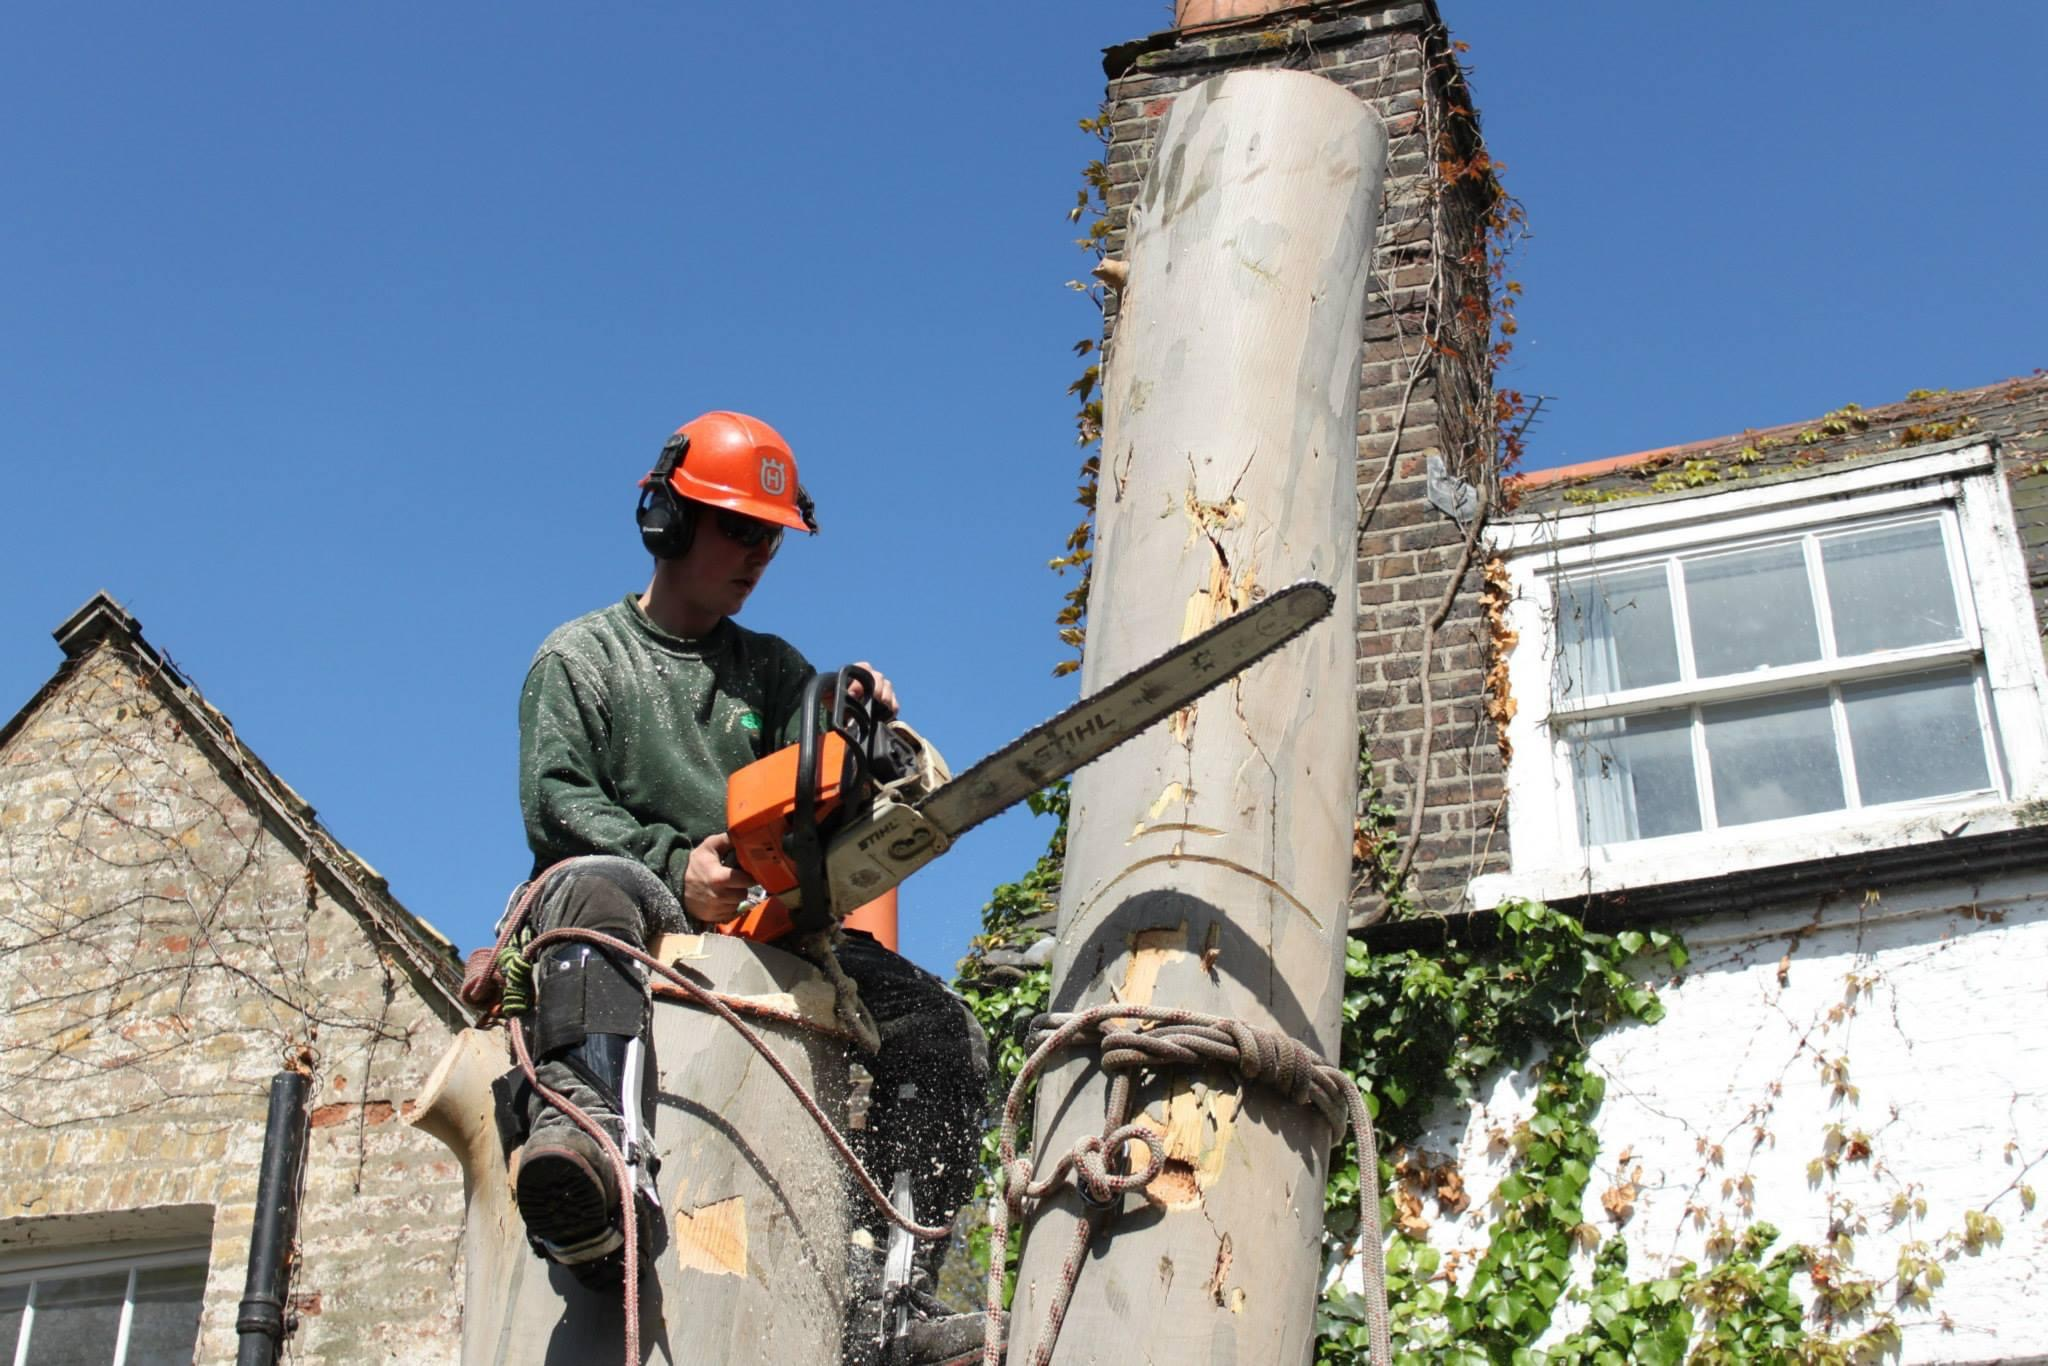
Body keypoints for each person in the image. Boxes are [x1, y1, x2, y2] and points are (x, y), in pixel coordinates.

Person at [509, 410, 992, 1362]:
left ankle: (892, 1293)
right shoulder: (582, 659)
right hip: (634, 898)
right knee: (592, 887)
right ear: (671, 522)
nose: (758, 553)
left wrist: (866, 742)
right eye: (739, 527)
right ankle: (592, 1167)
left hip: (770, 922)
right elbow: (556, 805)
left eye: (769, 534)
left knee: (939, 1030)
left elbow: (817, 797)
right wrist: (672, 863)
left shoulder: (773, 673)